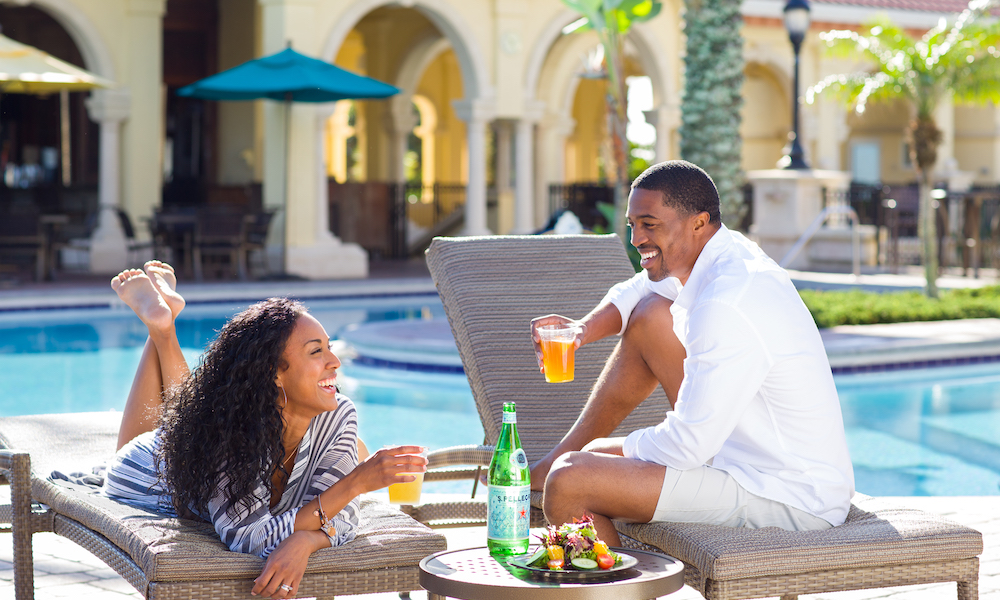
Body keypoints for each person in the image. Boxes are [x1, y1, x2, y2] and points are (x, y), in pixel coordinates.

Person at [529, 160, 854, 546]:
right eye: (633, 224)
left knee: (569, 482)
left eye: (650, 224)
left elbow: (687, 445)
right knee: (650, 315)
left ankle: (628, 589)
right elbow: (639, 290)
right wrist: (581, 330)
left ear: (698, 223)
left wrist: (606, 451)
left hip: (789, 495)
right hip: (740, 459)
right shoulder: (722, 253)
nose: (636, 238)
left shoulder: (727, 302)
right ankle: (567, 463)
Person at [102, 261, 426, 599]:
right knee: (179, 421)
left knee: (191, 412)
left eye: (330, 346)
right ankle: (161, 328)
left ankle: (162, 322)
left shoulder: (338, 414)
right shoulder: (232, 432)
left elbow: (344, 515)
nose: (335, 361)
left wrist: (306, 539)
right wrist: (356, 481)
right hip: (145, 474)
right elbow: (248, 537)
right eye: (317, 351)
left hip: (198, 435)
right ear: (275, 374)